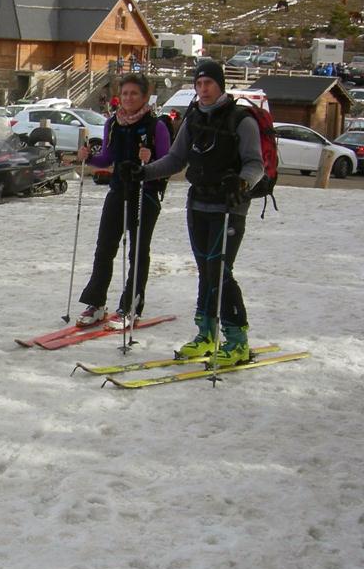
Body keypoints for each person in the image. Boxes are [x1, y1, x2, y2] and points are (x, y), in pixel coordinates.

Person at [120, 60, 263, 365]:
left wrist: (242, 182)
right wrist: (144, 172)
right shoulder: (194, 117)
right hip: (197, 204)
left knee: (220, 272)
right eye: (198, 84)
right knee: (205, 272)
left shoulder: (241, 120)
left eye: (208, 83)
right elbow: (175, 159)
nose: (203, 89)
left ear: (220, 85)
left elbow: (255, 164)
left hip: (229, 207)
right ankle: (206, 334)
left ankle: (237, 340)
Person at [73, 73, 171, 328]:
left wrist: (151, 160)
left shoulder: (156, 126)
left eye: (134, 93)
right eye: (125, 93)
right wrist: (88, 157)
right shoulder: (113, 124)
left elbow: (169, 164)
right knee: (104, 247)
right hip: (118, 190)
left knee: (137, 251)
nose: (128, 98)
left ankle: (131, 306)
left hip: (145, 193)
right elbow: (107, 158)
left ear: (145, 97)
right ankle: (96, 303)